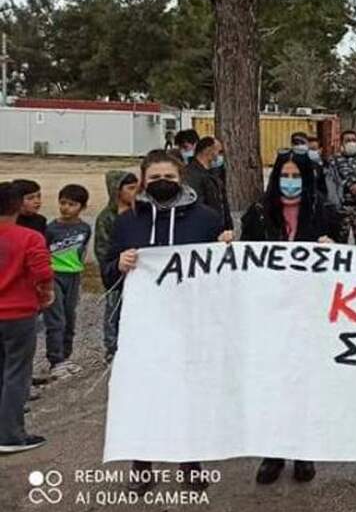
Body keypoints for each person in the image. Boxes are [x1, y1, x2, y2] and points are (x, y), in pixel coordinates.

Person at [102, 149, 232, 494]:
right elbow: (107, 273)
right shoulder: (128, 221)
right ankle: (142, 464)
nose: (163, 183)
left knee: (190, 392)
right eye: (155, 178)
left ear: (181, 179)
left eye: (169, 177)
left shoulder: (206, 218)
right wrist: (119, 264)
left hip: (192, 322)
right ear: (144, 180)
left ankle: (191, 462)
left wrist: (225, 246)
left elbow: (224, 273)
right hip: (144, 326)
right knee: (143, 391)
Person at [240, 153, 341, 486]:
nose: (291, 181)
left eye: (297, 176)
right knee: (272, 383)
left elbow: (344, 262)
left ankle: (303, 450)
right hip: (269, 312)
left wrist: (333, 247)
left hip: (311, 312)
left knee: (305, 383)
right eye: (285, 175)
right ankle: (273, 452)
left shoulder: (324, 212)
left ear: (307, 179)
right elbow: (244, 259)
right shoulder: (258, 213)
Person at [0, 181, 54, 454]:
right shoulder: (29, 237)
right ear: (17, 205)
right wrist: (46, 293)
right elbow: (42, 272)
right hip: (18, 312)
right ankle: (10, 435)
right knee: (16, 373)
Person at [44, 184, 92, 380]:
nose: (66, 207)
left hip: (74, 275)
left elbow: (83, 250)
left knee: (70, 317)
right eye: (63, 203)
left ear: (82, 207)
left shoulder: (84, 228)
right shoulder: (51, 228)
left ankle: (66, 356)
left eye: (72, 204)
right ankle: (55, 360)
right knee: (56, 319)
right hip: (54, 275)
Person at [93, 170, 138, 361]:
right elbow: (102, 249)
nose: (135, 192)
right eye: (130, 188)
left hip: (137, 270)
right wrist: (113, 265)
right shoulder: (106, 218)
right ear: (117, 190)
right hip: (116, 272)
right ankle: (112, 347)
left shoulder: (140, 213)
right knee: (114, 310)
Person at [329, 130, 356, 244]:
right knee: (339, 239)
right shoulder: (334, 159)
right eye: (348, 140)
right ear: (342, 143)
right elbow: (333, 179)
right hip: (342, 207)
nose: (351, 143)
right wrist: (349, 186)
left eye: (353, 140)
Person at [183, 137, 233, 231]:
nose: (220, 156)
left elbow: (222, 202)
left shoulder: (212, 173)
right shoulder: (192, 174)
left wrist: (228, 227)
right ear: (208, 150)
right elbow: (197, 204)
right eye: (219, 151)